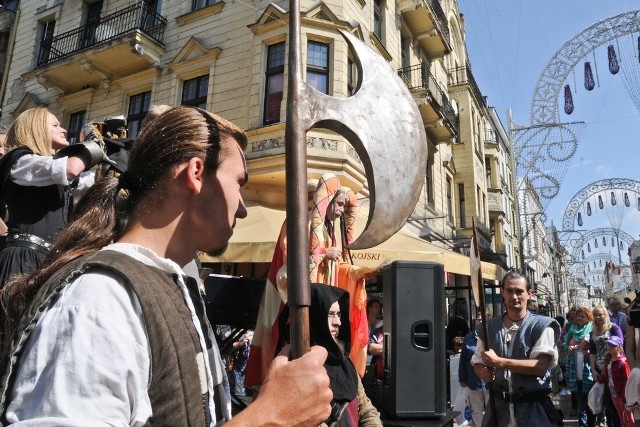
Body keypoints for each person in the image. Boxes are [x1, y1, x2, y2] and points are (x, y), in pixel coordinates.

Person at [0, 106, 333, 425]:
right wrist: (269, 417)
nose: (243, 208)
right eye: (238, 183)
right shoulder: (99, 300)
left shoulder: (170, 285)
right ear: (196, 173)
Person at [247, 173, 372, 387]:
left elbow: (333, 268)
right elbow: (290, 258)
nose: (342, 210)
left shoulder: (326, 229)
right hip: (288, 298)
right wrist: (324, 252)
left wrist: (357, 272)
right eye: (338, 204)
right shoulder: (298, 222)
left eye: (343, 205)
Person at [0, 107, 101, 287]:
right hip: (23, 259)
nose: (63, 129)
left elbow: (93, 183)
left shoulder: (50, 174)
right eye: (56, 125)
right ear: (36, 128)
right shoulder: (21, 161)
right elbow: (70, 169)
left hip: (49, 263)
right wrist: (92, 148)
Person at [276, 283, 382, 426]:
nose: (338, 322)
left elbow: (367, 412)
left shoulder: (344, 365)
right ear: (314, 317)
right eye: (330, 314)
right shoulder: (293, 369)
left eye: (339, 315)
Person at [472, 271, 561, 427]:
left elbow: (540, 367)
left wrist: (499, 362)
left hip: (533, 410)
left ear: (529, 294)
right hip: (499, 411)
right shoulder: (488, 328)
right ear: (503, 293)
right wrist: (483, 372)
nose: (514, 296)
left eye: (519, 291)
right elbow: (477, 361)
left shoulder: (542, 326)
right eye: (509, 291)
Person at [590, 305, 623, 427]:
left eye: (600, 314)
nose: (598, 317)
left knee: (615, 402)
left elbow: (620, 347)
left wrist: (607, 367)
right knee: (605, 402)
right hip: (599, 370)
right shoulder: (593, 332)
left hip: (613, 369)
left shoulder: (614, 328)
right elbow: (592, 353)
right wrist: (593, 369)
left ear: (606, 315)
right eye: (596, 315)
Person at [460, 311, 492, 427]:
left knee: (491, 410)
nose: (481, 322)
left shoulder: (492, 336)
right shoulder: (468, 338)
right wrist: (462, 378)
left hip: (490, 382)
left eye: (484, 320)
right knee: (476, 410)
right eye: (479, 320)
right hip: (473, 380)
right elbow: (463, 359)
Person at [565, 306, 595, 427]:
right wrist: (569, 347)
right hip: (575, 369)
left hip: (588, 369)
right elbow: (565, 344)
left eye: (583, 316)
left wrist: (589, 351)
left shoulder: (592, 328)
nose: (580, 318)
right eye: (578, 316)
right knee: (580, 401)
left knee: (590, 400)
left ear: (588, 317)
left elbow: (596, 346)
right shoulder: (572, 328)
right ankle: (583, 424)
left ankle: (591, 422)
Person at [598, 336, 634, 427]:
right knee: (621, 416)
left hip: (623, 396)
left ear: (619, 348)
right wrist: (600, 379)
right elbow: (607, 376)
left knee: (628, 418)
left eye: (613, 345)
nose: (609, 347)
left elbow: (627, 380)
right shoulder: (608, 361)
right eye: (609, 344)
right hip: (613, 394)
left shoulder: (623, 362)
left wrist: (624, 396)